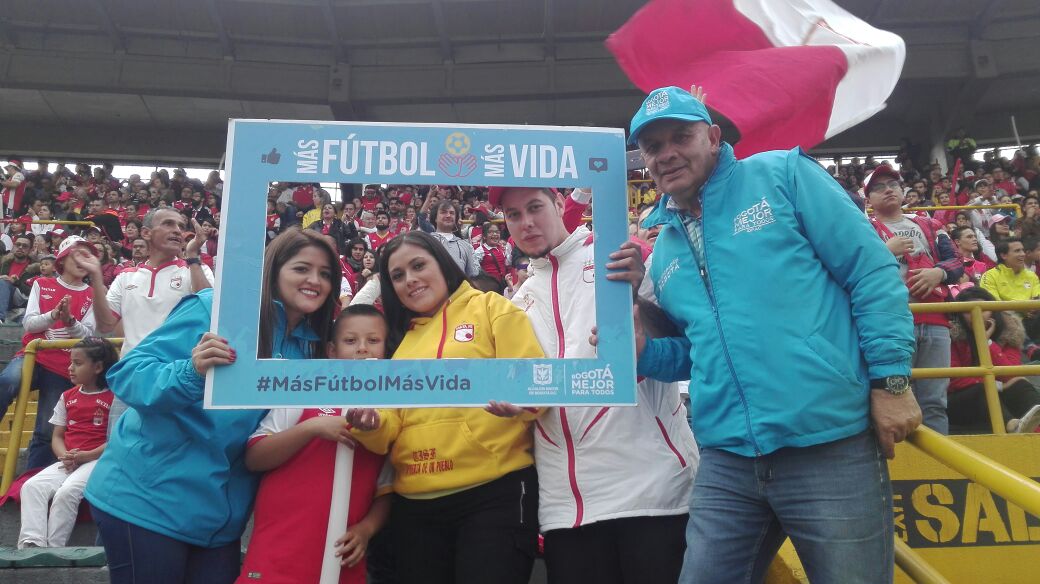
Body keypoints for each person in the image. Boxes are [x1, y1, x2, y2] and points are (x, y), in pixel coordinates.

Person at [627, 86, 918, 583]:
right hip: (727, 459)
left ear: (714, 137)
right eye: (654, 146)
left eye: (681, 136)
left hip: (828, 445)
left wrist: (891, 379)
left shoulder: (782, 175)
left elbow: (870, 272)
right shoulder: (666, 248)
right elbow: (702, 351)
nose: (667, 152)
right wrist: (646, 353)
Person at [84, 228, 340, 583]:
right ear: (273, 270)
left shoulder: (310, 349)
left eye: (325, 274)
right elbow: (128, 375)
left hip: (220, 518)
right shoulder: (215, 309)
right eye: (301, 269)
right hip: (148, 499)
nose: (314, 280)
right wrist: (191, 370)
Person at [489, 185, 697, 584]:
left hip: (652, 493)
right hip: (566, 509)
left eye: (535, 207)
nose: (526, 222)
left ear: (560, 205)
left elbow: (688, 351)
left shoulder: (619, 261)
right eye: (513, 215)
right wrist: (518, 406)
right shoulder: (518, 302)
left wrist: (642, 302)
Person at [346, 230, 544, 584]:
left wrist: (523, 402)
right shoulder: (400, 342)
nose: (411, 280)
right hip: (414, 506)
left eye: (419, 265)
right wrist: (371, 425)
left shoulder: (491, 307)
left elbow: (534, 386)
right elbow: (387, 430)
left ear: (443, 263)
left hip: (493, 493)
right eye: (398, 275)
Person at [239, 305, 392, 584]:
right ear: (331, 351)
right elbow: (254, 457)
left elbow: (386, 489)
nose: (362, 349)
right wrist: (312, 428)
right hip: (279, 553)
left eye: (373, 341)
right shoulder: (305, 392)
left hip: (340, 558)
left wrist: (366, 530)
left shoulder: (388, 413)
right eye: (350, 341)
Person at [73, 208, 214, 429]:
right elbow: (104, 325)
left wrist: (193, 256)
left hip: (179, 378)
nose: (177, 230)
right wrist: (96, 277)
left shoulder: (196, 268)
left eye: (180, 226)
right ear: (146, 233)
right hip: (133, 378)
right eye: (168, 224)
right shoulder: (125, 277)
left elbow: (209, 309)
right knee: (120, 452)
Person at [865, 164, 962, 434]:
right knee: (894, 400)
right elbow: (854, 268)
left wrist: (938, 272)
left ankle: (937, 467)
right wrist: (885, 251)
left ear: (902, 191)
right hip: (890, 323)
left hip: (935, 320)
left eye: (893, 185)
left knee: (934, 401)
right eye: (878, 187)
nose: (888, 190)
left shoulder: (930, 224)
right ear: (868, 199)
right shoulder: (862, 228)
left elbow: (957, 261)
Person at [0, 236, 98, 470]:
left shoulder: (92, 294)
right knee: (8, 380)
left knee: (46, 429)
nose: (82, 260)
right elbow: (29, 323)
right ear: (63, 259)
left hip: (63, 366)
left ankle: (31, 479)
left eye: (87, 255)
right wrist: (53, 316)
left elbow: (88, 334)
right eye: (77, 254)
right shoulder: (42, 284)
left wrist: (69, 320)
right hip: (33, 355)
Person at [17, 337, 118, 548]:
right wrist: (65, 455)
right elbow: (57, 436)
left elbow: (116, 441)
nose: (70, 368)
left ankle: (54, 548)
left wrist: (85, 456)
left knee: (67, 492)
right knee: (31, 486)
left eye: (78, 363)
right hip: (70, 459)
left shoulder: (114, 398)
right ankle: (32, 544)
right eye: (71, 362)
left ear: (98, 367)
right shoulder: (67, 396)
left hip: (96, 460)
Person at [948, 286, 1040, 434]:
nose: (976, 315)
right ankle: (1012, 426)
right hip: (960, 403)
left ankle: (1035, 431)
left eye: (984, 308)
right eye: (967, 311)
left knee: (1021, 384)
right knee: (981, 390)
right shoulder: (951, 336)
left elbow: (1011, 374)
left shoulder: (1009, 333)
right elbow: (952, 380)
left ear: (993, 311)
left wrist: (987, 343)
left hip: (997, 399)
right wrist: (997, 385)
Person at [420, 200, 480, 277]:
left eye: (452, 213)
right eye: (443, 212)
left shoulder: (466, 246)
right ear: (435, 218)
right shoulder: (425, 242)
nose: (448, 215)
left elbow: (474, 275)